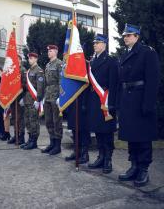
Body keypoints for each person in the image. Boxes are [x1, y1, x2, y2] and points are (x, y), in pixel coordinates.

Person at [118, 24, 160, 187]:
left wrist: (148, 104)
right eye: (124, 36)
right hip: (128, 100)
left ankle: (143, 169)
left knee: (142, 137)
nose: (125, 38)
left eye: (129, 35)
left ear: (137, 36)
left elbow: (153, 80)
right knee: (131, 136)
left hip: (141, 100)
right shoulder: (124, 55)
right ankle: (134, 166)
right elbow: (121, 81)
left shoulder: (147, 52)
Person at [87, 34, 119, 174]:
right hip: (94, 100)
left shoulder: (111, 61)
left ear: (104, 44)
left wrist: (112, 103)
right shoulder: (92, 62)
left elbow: (114, 84)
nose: (95, 45)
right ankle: (100, 156)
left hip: (106, 100)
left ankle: (108, 159)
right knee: (98, 130)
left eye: (98, 42)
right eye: (94, 43)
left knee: (107, 131)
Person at [41, 45, 63, 155]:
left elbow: (61, 81)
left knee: (56, 121)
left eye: (51, 51)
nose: (49, 52)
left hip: (55, 95)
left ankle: (58, 145)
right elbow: (45, 82)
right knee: (48, 120)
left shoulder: (60, 64)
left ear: (56, 51)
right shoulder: (48, 65)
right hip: (48, 94)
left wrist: (60, 96)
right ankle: (52, 142)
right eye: (48, 51)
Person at [20, 52, 44, 150]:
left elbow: (40, 87)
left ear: (36, 59)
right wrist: (22, 97)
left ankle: (34, 141)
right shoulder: (28, 71)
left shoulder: (39, 71)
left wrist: (38, 100)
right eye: (29, 58)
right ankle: (29, 139)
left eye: (31, 58)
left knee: (34, 121)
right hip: (27, 99)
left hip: (34, 100)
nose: (29, 59)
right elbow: (25, 86)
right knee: (27, 120)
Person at [65, 91, 90, 164]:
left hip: (82, 97)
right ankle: (76, 151)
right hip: (72, 97)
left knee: (83, 127)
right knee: (73, 126)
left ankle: (84, 153)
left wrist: (85, 102)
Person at [7, 55, 26, 145]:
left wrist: (23, 97)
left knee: (20, 118)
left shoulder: (22, 70)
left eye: (18, 60)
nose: (16, 61)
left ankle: (21, 137)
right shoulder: (12, 70)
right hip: (13, 98)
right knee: (14, 117)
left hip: (19, 97)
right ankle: (16, 135)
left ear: (20, 61)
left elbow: (25, 84)